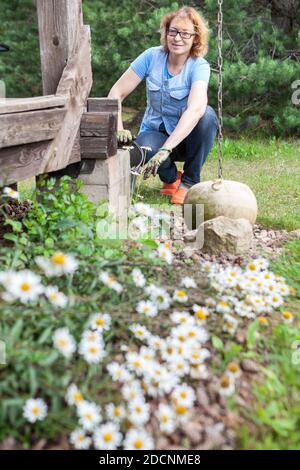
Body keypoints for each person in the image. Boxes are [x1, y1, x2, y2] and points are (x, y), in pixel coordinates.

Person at [108, 6, 218, 204]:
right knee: (143, 149)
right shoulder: (151, 56)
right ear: (166, 32)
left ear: (195, 38)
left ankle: (189, 182)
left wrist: (167, 149)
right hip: (155, 132)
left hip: (186, 138)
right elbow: (116, 93)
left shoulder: (199, 66)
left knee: (207, 116)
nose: (177, 38)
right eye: (173, 31)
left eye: (185, 33)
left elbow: (196, 109)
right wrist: (118, 128)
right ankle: (171, 178)